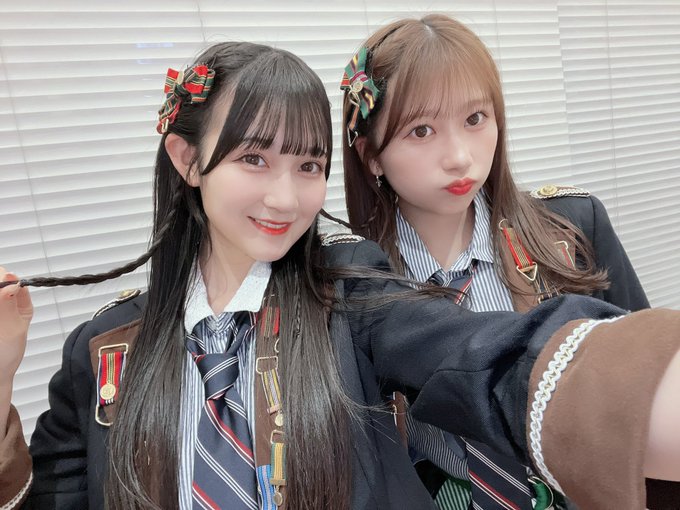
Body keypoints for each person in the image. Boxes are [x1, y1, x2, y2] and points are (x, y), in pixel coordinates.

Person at [1, 41, 679, 510]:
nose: (285, 198)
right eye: (254, 159)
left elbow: (481, 357)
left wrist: (635, 391)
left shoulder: (351, 295)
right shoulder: (102, 348)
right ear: (187, 159)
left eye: (308, 166)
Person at [340, 14, 655, 509]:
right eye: (421, 130)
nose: (459, 156)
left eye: (474, 119)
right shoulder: (356, 284)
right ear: (371, 155)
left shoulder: (570, 229)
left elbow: (645, 387)